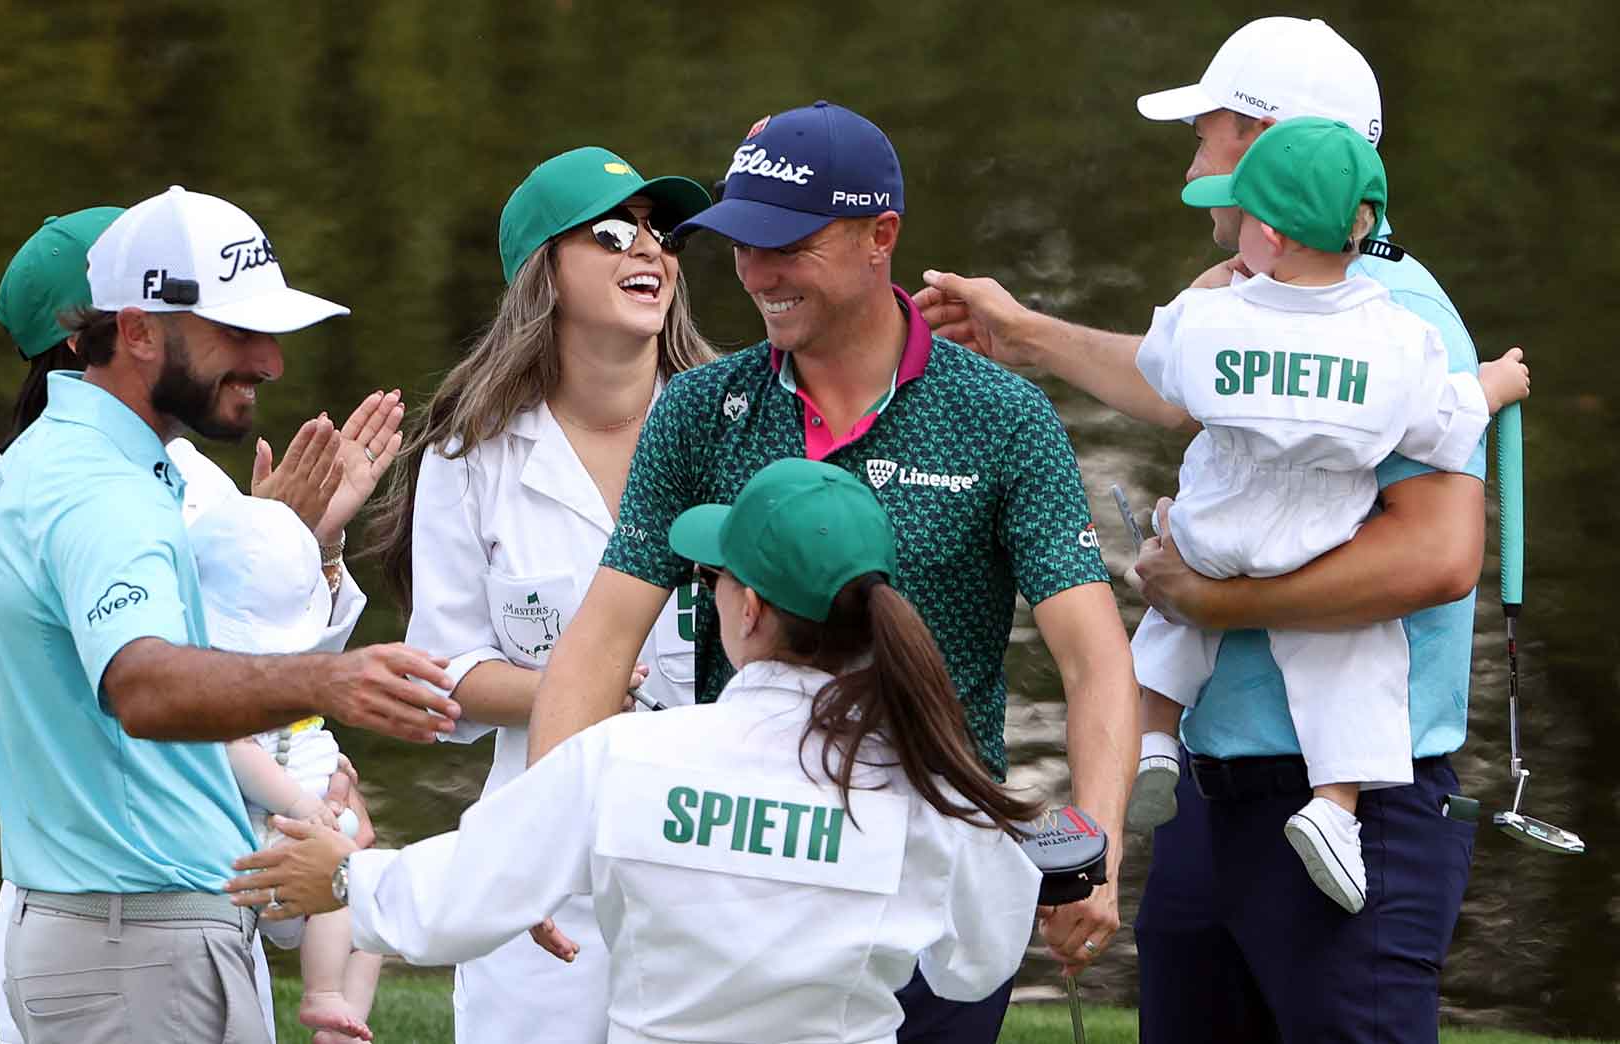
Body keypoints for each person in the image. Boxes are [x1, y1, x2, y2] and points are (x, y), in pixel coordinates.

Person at [914, 17, 1496, 1041]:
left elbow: (1439, 555)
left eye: (1208, 133)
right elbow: (1183, 388)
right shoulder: (1271, 298)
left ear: (1264, 147)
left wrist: (1211, 598)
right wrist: (1027, 335)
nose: (1191, 160)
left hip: (1349, 796)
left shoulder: (1393, 317)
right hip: (1221, 781)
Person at [520, 101, 1138, 1041]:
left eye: (786, 245)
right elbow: (601, 640)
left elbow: (1093, 659)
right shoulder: (697, 409)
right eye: (740, 243)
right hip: (748, 868)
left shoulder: (1002, 416)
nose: (757, 274)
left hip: (934, 873)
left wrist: (1092, 845)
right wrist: (538, 839)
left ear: (879, 236)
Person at [228, 458, 1048, 1044]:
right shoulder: (932, 788)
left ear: (750, 609)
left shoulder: (631, 756)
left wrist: (341, 875)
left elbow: (466, 895)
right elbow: (974, 967)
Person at [0, 185, 461, 1044]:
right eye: (237, 332)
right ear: (138, 330)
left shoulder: (88, 464)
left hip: (128, 937)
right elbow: (146, 688)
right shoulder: (101, 493)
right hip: (137, 950)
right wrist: (329, 684)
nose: (269, 361)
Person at [1123, 116, 1531, 918]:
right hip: (1312, 544)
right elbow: (1443, 423)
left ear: (1263, 236)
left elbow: (1157, 365)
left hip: (1212, 528)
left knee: (1174, 615)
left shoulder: (1209, 318)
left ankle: (1153, 744)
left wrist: (1220, 284)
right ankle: (1336, 808)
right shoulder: (1395, 336)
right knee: (1357, 658)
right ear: (1365, 224)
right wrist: (1494, 385)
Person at [362, 146, 717, 1044]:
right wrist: (592, 682)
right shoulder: (468, 456)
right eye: (610, 231)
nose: (649, 250)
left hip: (714, 853)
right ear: (542, 277)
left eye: (662, 231)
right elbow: (447, 674)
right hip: (546, 861)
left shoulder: (733, 430)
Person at [194, 495, 384, 1044]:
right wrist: (306, 806)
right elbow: (238, 754)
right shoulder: (222, 703)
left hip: (314, 831)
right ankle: (323, 992)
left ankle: (343, 1018)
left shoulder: (284, 697)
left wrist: (340, 782)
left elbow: (316, 748)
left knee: (375, 913)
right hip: (270, 846)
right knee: (341, 884)